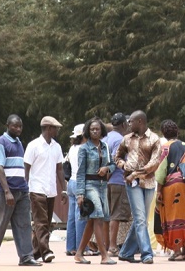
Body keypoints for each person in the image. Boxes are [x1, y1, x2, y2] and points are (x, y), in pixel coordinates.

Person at [0, 115, 42, 266]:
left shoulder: (19, 143)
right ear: (7, 125)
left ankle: (26, 257)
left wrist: (25, 186)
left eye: (20, 126)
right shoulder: (0, 143)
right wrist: (7, 191)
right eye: (15, 126)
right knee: (0, 223)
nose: (18, 129)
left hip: (21, 189)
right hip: (6, 190)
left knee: (24, 224)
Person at [114, 110, 161, 265]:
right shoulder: (127, 139)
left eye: (131, 121)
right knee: (140, 219)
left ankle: (126, 252)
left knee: (142, 220)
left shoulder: (154, 139)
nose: (128, 124)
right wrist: (124, 165)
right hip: (131, 184)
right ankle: (147, 254)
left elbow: (154, 163)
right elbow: (117, 156)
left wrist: (135, 174)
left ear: (140, 121)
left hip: (147, 182)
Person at [154, 120, 185, 261]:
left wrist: (158, 191)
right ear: (177, 132)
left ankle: (176, 251)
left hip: (171, 188)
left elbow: (161, 172)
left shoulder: (164, 148)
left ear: (163, 133)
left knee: (172, 218)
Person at [24, 116, 67, 263]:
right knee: (41, 222)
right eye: (56, 128)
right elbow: (27, 168)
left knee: (46, 222)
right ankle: (46, 251)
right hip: (36, 188)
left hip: (51, 190)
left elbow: (59, 169)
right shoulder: (33, 145)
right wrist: (25, 188)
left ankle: (35, 252)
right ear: (49, 128)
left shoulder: (57, 147)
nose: (57, 130)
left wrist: (64, 189)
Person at [75, 117, 116, 265]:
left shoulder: (105, 146)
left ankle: (79, 253)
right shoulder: (83, 149)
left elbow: (113, 164)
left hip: (103, 185)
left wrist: (107, 168)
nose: (95, 131)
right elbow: (79, 172)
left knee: (94, 220)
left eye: (97, 128)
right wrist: (80, 194)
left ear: (101, 130)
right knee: (97, 217)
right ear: (88, 131)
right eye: (92, 129)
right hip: (90, 185)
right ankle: (104, 255)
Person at [103, 112, 131, 257]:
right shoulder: (121, 139)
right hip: (117, 180)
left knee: (107, 215)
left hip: (104, 182)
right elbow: (115, 159)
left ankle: (107, 245)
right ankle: (113, 246)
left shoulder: (105, 137)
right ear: (123, 125)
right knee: (115, 214)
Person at [65, 123, 87, 257]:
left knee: (71, 217)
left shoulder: (72, 148)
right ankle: (81, 247)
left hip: (71, 182)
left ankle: (70, 247)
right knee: (81, 216)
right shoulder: (84, 149)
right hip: (79, 182)